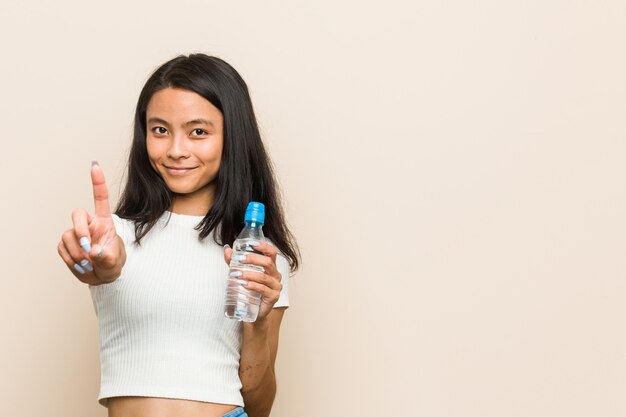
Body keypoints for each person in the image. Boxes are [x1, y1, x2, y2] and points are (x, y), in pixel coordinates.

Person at [56, 54, 300, 417]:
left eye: (198, 132)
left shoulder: (258, 256)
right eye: (160, 130)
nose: (175, 150)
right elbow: (108, 265)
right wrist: (101, 266)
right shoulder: (112, 238)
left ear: (232, 137)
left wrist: (258, 321)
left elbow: (259, 405)